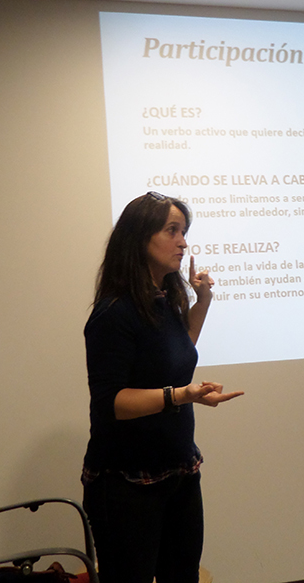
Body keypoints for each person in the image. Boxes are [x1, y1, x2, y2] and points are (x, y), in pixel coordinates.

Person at [81, 191, 243, 583]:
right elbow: (111, 402)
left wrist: (202, 301)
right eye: (172, 231)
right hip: (127, 484)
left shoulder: (163, 300)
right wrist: (181, 395)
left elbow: (177, 353)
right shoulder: (114, 313)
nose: (183, 242)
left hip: (179, 470)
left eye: (184, 232)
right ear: (139, 237)